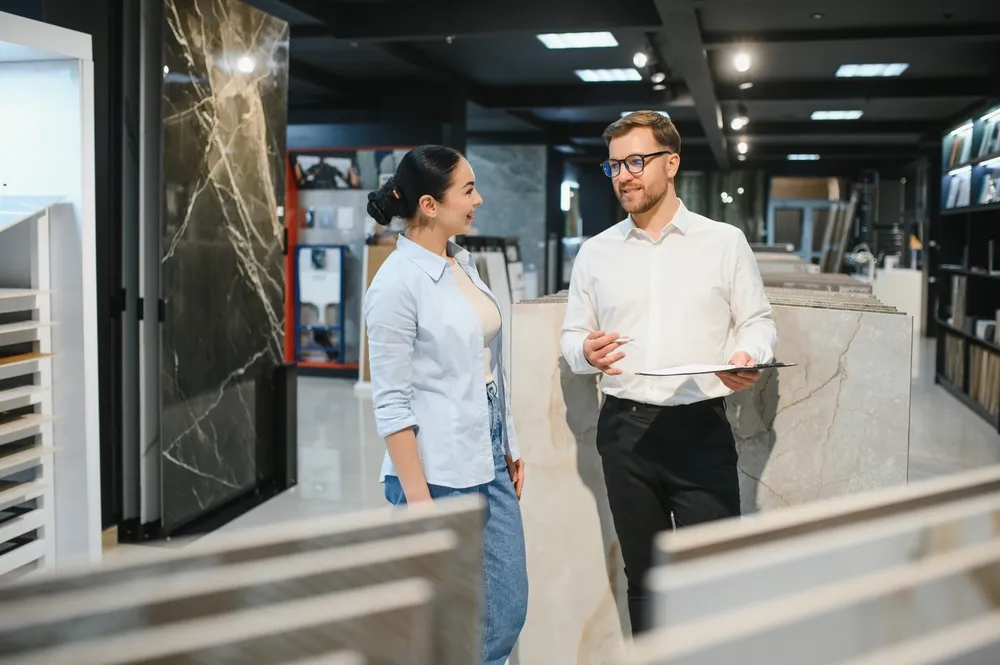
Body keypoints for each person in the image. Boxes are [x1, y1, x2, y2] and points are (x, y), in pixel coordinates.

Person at [560, 111, 777, 634]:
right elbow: (570, 338)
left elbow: (757, 322)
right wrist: (585, 352)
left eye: (636, 161)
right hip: (624, 434)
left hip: (700, 429)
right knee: (646, 581)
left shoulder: (723, 242)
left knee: (713, 578)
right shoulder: (596, 252)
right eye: (614, 166)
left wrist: (749, 356)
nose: (624, 176)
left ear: (671, 163)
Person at [363, 145, 528, 665]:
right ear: (430, 204)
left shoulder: (462, 261)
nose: (480, 198)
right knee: (448, 618)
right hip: (438, 472)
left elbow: (487, 364)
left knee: (507, 605)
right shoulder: (395, 284)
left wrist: (510, 439)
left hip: (489, 452)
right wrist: (420, 506)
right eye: (469, 189)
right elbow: (391, 404)